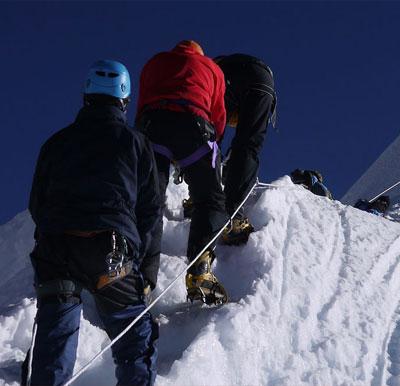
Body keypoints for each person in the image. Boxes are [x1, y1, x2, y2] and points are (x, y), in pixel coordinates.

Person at [22, 60, 160, 386]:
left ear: (87, 95)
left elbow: (37, 202)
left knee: (53, 343)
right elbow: (149, 210)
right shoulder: (136, 143)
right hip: (109, 249)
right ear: (124, 100)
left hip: (56, 249)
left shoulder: (56, 143)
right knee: (134, 335)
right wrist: (141, 266)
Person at [136, 40, 229, 305]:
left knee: (149, 200)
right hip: (194, 126)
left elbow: (142, 103)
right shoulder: (211, 68)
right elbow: (218, 114)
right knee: (209, 199)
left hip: (152, 127)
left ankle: (141, 276)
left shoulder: (154, 62)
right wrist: (213, 146)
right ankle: (200, 271)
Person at [213, 54, 276, 245]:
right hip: (266, 85)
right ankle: (234, 215)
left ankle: (216, 204)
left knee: (210, 139)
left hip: (230, 79)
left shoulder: (217, 70)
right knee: (248, 146)